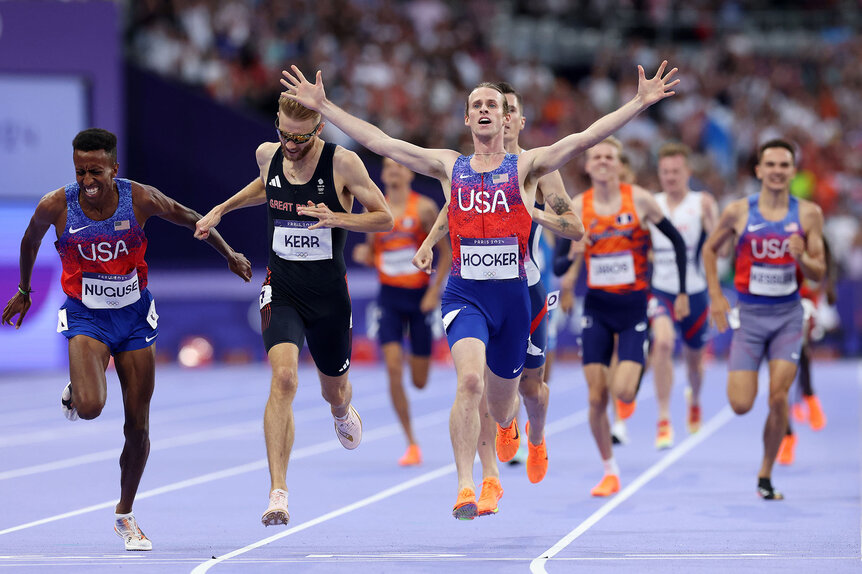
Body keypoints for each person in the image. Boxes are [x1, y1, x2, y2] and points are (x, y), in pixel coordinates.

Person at [280, 60, 679, 518]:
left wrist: (638, 102)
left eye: (493, 103)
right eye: (477, 105)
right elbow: (381, 142)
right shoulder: (450, 165)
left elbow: (584, 138)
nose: (486, 109)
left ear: (505, 118)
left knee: (505, 407)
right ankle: (466, 486)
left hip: (514, 298)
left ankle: (521, 432)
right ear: (468, 119)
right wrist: (324, 106)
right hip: (465, 294)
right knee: (468, 380)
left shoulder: (528, 165)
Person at [1, 128, 252, 550]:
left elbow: (191, 216)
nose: (88, 181)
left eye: (96, 171)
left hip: (135, 318)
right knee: (92, 407)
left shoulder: (140, 198)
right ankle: (83, 384)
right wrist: (24, 291)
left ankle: (125, 514)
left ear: (114, 169)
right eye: (80, 171)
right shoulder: (57, 205)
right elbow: (29, 240)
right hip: (87, 317)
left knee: (137, 426)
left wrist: (230, 254)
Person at [194, 95, 393, 526]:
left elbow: (384, 218)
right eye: (284, 134)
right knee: (283, 379)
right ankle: (278, 493)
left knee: (333, 391)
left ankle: (341, 412)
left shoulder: (343, 165)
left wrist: (340, 219)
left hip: (328, 297)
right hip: (281, 288)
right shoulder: (270, 154)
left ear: (318, 130)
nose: (290, 144)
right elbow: (264, 184)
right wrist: (221, 210)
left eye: (300, 138)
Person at [561, 137, 690, 497]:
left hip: (634, 308)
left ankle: (637, 370)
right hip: (597, 311)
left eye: (609, 157)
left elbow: (677, 243)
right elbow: (558, 261)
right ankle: (609, 470)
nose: (602, 162)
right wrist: (572, 254)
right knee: (596, 397)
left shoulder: (641, 200)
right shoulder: (577, 206)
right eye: (596, 157)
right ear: (587, 166)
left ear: (619, 165)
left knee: (622, 390)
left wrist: (679, 291)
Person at [703, 139, 825, 500]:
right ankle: (775, 443)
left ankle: (766, 474)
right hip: (750, 318)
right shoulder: (739, 211)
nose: (776, 171)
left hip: (788, 317)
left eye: (784, 165)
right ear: (758, 170)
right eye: (770, 165)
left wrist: (803, 258)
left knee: (777, 396)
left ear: (792, 171)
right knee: (741, 404)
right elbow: (710, 250)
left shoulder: (808, 215)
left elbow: (819, 272)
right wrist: (715, 297)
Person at [352, 158, 450, 466]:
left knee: (419, 381)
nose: (394, 170)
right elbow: (374, 253)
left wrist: (435, 291)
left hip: (419, 299)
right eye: (388, 166)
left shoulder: (423, 209)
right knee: (393, 369)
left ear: (409, 172)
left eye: (399, 166)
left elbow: (446, 253)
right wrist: (366, 255)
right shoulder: (374, 210)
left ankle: (412, 354)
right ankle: (411, 442)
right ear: (382, 174)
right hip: (389, 300)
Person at [647, 143, 719, 449]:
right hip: (661, 288)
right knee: (662, 344)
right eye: (665, 172)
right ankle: (664, 419)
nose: (671, 177)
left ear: (688, 172)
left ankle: (695, 398)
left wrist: (714, 228)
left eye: (676, 171)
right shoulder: (651, 203)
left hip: (695, 291)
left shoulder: (701, 203)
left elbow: (720, 250)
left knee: (694, 363)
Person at [777, 236, 836, 464]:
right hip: (779, 300)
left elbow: (829, 259)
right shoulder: (783, 231)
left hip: (804, 299)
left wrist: (829, 284)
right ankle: (788, 434)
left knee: (800, 351)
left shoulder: (817, 233)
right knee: (779, 378)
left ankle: (808, 396)